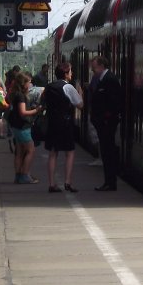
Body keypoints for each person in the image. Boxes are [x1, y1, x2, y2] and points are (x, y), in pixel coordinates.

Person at [41, 61, 83, 193]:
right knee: (69, 152)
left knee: (53, 153)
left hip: (52, 123)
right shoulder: (68, 87)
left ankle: (51, 184)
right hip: (65, 123)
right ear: (65, 74)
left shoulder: (49, 87)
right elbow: (80, 104)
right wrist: (80, 92)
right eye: (70, 71)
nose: (72, 73)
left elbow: (43, 102)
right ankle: (68, 182)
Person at [88, 55, 123, 191]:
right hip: (104, 123)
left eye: (94, 67)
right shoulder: (103, 79)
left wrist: (105, 117)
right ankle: (108, 181)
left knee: (108, 153)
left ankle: (110, 182)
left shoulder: (110, 80)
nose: (92, 70)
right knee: (106, 153)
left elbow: (114, 102)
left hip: (107, 124)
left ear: (102, 66)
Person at [7, 71, 42, 183]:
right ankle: (25, 175)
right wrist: (36, 110)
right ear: (24, 83)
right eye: (29, 82)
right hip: (23, 127)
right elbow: (23, 112)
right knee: (31, 150)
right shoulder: (21, 96)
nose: (30, 84)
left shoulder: (14, 94)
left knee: (19, 151)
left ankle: (18, 176)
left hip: (16, 126)